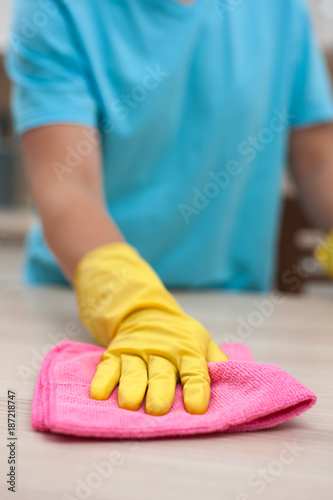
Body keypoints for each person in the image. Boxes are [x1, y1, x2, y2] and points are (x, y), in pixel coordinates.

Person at [5, 0, 333, 415]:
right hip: (82, 311)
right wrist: (139, 308)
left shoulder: (281, 9)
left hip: (239, 314)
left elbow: (321, 162)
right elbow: (67, 189)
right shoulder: (56, 9)